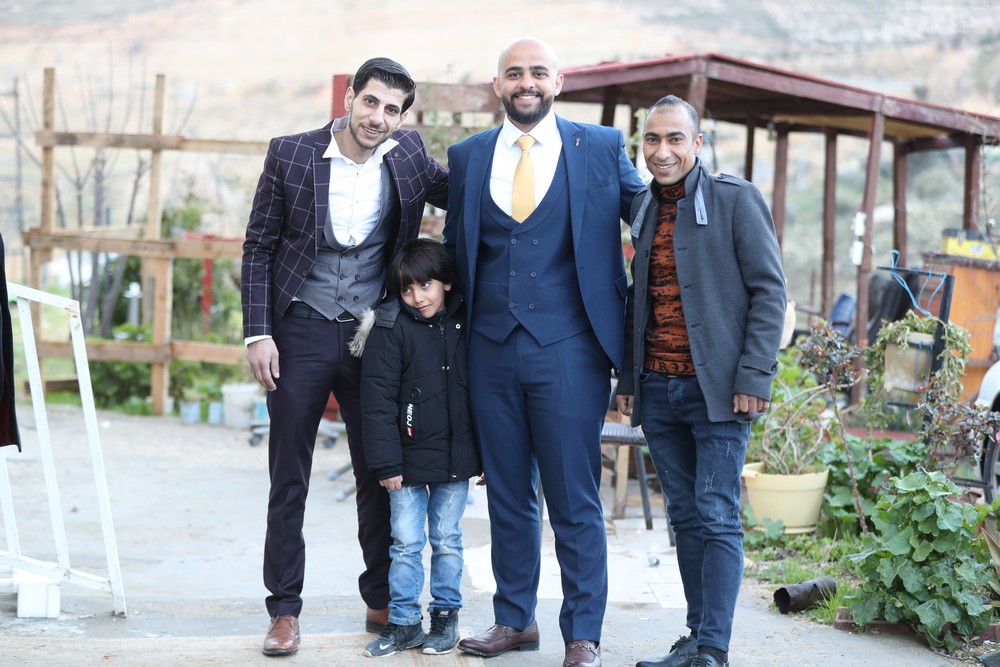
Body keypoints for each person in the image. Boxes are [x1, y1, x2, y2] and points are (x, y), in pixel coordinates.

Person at [442, 37, 645, 667]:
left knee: (573, 497)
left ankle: (583, 633)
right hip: (489, 348)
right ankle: (514, 619)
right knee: (506, 493)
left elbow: (649, 214)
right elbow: (454, 250)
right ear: (497, 85)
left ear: (558, 81)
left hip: (571, 350)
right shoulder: (469, 156)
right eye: (513, 73)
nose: (525, 82)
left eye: (537, 72)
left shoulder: (601, 147)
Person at [241, 57, 448, 657]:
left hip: (371, 335)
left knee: (379, 469)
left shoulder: (409, 156)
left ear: (402, 117)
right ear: (351, 97)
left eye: (392, 109)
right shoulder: (291, 153)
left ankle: (380, 597)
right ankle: (284, 609)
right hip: (299, 331)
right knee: (289, 476)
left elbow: (470, 190)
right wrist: (258, 333)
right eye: (371, 101)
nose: (378, 117)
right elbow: (258, 247)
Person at [616, 95, 787, 667]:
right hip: (658, 389)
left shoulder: (736, 200)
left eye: (674, 139)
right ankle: (694, 637)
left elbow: (770, 292)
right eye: (652, 140)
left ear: (698, 143)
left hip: (720, 391)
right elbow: (637, 300)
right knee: (684, 517)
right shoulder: (643, 205)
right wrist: (629, 380)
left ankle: (714, 648)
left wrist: (755, 375)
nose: (662, 151)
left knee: (716, 513)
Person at [349, 238, 481, 658]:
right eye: (407, 289)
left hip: (455, 457)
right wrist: (386, 463)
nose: (417, 297)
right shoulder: (389, 327)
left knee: (446, 538)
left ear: (446, 282)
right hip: (404, 461)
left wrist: (482, 457)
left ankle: (445, 616)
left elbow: (480, 395)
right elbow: (377, 402)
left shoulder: (466, 323)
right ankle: (404, 622)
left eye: (425, 285)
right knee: (405, 542)